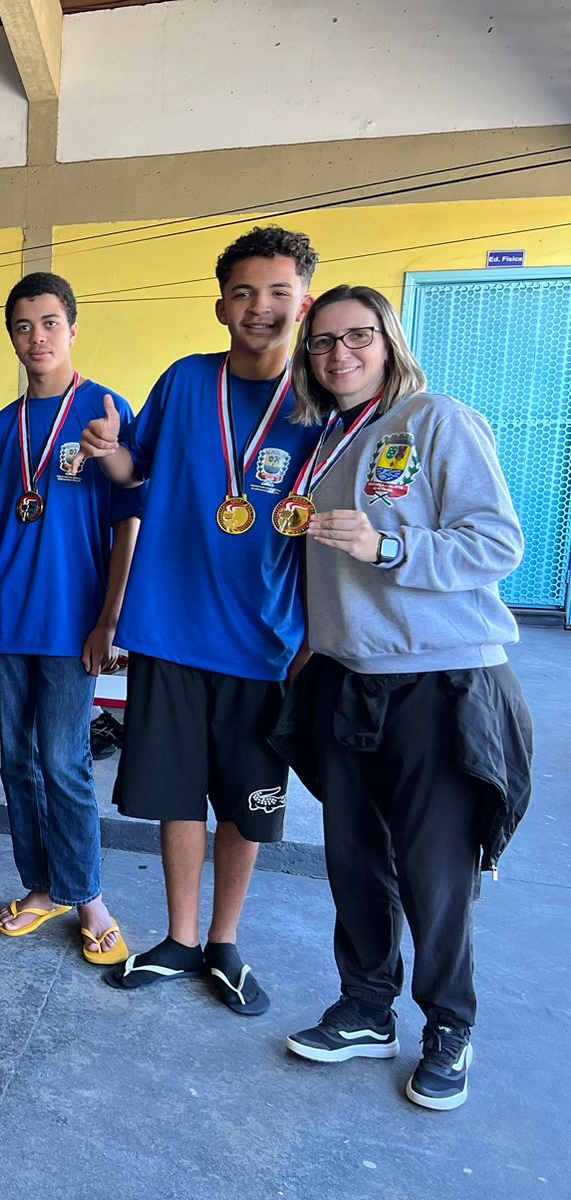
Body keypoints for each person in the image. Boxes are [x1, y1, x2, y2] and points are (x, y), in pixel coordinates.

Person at [271, 285, 532, 1111]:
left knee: (434, 871)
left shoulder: (436, 421)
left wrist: (392, 543)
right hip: (350, 678)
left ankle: (449, 1026)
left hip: (439, 679)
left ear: (388, 342)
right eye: (321, 343)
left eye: (356, 337)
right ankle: (367, 1005)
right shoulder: (327, 444)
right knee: (353, 861)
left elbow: (498, 544)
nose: (337, 353)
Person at [77, 226, 324, 1015]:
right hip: (171, 631)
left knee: (244, 802)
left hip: (265, 642)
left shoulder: (322, 404)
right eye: (244, 293)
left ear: (303, 302)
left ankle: (224, 940)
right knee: (178, 793)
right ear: (221, 306)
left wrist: (316, 642)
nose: (261, 307)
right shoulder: (186, 381)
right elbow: (134, 470)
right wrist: (108, 450)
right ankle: (182, 938)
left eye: (278, 292)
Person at [0, 273, 141, 966]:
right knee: (18, 764)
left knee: (64, 760)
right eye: (21, 326)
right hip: (9, 617)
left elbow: (129, 515)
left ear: (73, 327)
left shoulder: (104, 409)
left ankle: (89, 896)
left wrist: (112, 617)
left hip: (75, 622)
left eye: (47, 323)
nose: (35, 337)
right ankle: (41, 887)